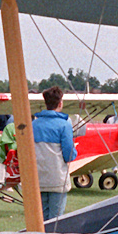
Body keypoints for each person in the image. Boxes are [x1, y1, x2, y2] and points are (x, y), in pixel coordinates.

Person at [32, 86, 77, 221]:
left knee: (42, 219)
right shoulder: (64, 124)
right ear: (60, 103)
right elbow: (69, 154)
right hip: (57, 178)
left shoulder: (34, 124)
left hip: (39, 177)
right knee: (56, 220)